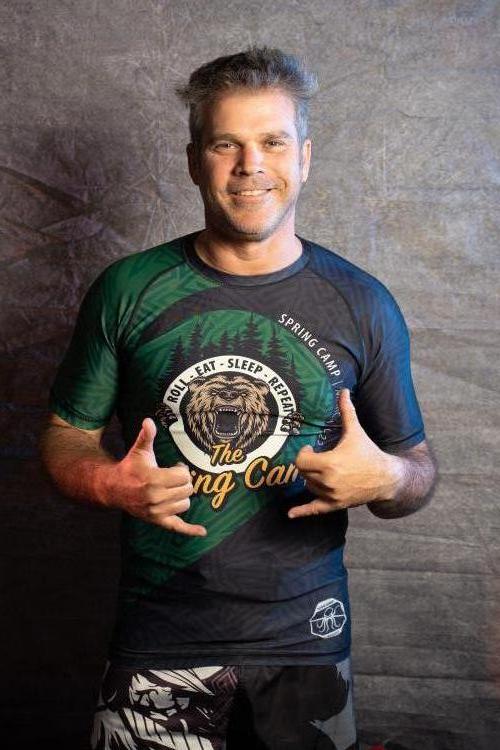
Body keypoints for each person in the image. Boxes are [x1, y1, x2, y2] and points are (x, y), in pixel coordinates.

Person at [40, 46, 437, 750]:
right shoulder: (128, 290)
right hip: (158, 639)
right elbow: (66, 435)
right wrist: (107, 482)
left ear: (304, 158)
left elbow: (417, 468)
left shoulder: (362, 302)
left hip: (307, 644)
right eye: (226, 144)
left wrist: (387, 478)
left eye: (272, 142)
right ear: (195, 161)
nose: (250, 165)